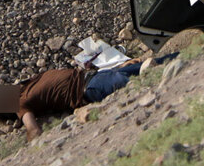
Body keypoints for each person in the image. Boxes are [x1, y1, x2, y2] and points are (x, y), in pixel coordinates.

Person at [16, 59, 144, 140]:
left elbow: (33, 130)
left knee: (151, 71)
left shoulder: (24, 93)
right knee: (153, 70)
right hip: (95, 81)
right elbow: (33, 129)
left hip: (95, 82)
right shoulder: (25, 93)